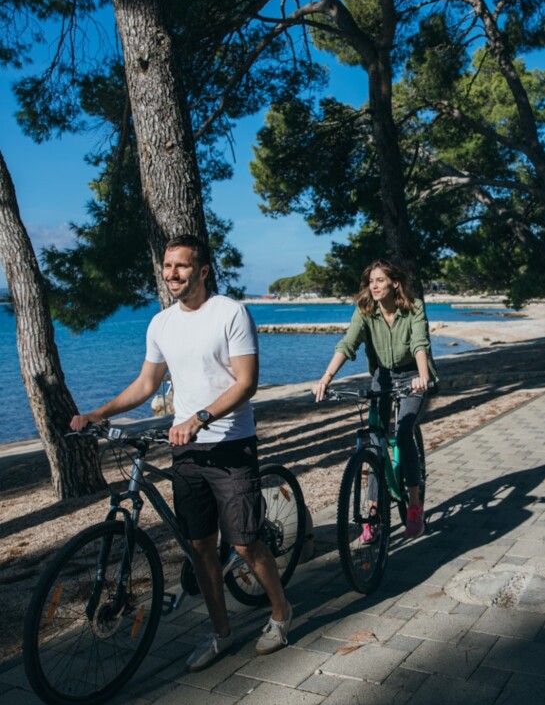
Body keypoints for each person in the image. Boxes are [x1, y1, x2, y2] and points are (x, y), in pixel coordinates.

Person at [70, 234, 292, 672]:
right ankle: (221, 634)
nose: (172, 274)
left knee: (246, 543)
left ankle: (282, 614)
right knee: (199, 547)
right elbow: (147, 384)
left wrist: (199, 418)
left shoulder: (230, 313)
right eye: (168, 266)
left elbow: (246, 382)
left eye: (182, 266)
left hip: (230, 444)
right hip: (187, 450)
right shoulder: (161, 324)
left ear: (203, 270)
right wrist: (99, 412)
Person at [313, 259, 437, 538]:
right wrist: (326, 378)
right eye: (371, 281)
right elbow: (348, 343)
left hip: (410, 375)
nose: (375, 286)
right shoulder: (365, 311)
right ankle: (372, 511)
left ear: (394, 283)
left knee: (403, 432)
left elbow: (419, 343)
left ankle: (415, 504)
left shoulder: (414, 308)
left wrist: (422, 376)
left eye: (380, 280)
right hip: (382, 376)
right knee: (373, 442)